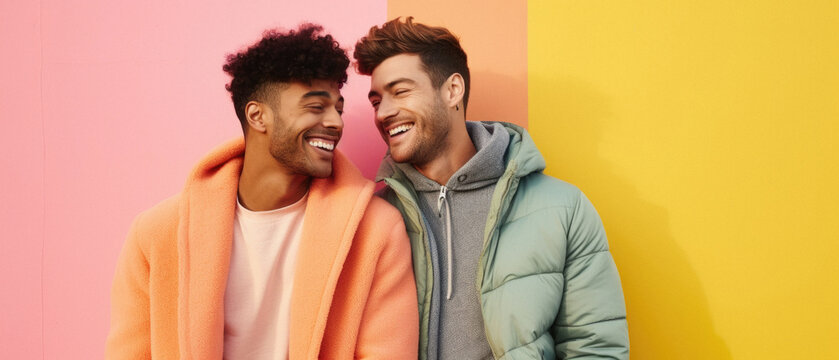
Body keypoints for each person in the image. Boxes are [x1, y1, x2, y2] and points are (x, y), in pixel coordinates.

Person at [105, 24, 418, 359]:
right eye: (316, 106)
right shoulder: (157, 234)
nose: (336, 122)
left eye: (338, 109)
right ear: (258, 116)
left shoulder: (376, 231)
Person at [354, 17, 629, 359]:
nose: (384, 112)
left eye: (400, 91)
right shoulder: (371, 220)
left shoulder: (562, 209)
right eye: (377, 100)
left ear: (453, 90)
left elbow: (596, 348)